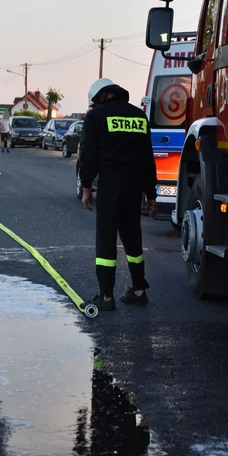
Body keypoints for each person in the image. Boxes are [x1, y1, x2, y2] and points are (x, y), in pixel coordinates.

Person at [79, 78, 157, 310]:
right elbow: (147, 157)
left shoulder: (96, 117)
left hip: (111, 185)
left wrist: (86, 187)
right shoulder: (138, 116)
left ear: (102, 97)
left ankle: (105, 297)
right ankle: (139, 290)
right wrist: (151, 193)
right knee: (133, 238)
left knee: (106, 240)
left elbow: (88, 154)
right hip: (134, 187)